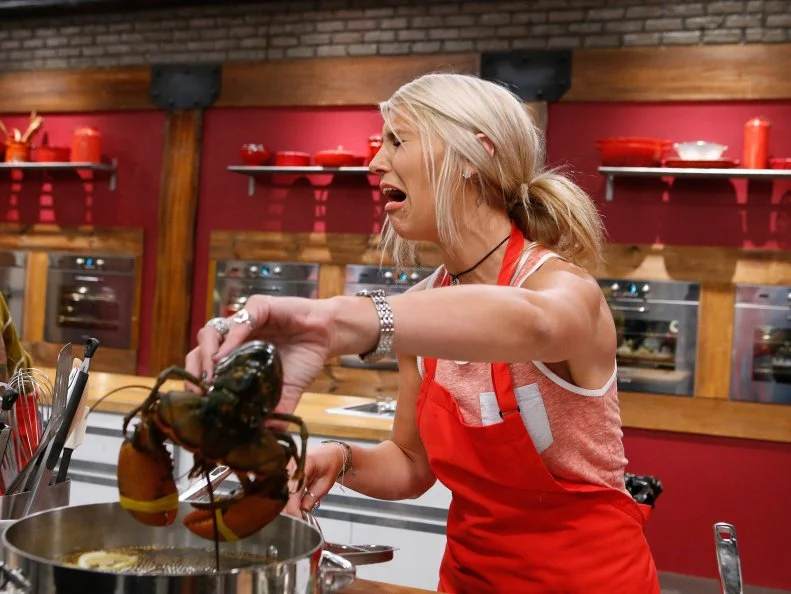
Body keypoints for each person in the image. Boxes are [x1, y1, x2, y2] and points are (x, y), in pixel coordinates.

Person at [185, 72, 660, 593]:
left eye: (397, 140)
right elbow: (411, 465)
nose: (375, 161)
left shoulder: (564, 289)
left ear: (471, 157)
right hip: (468, 580)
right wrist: (336, 458)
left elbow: (534, 324)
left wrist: (338, 320)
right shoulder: (420, 309)